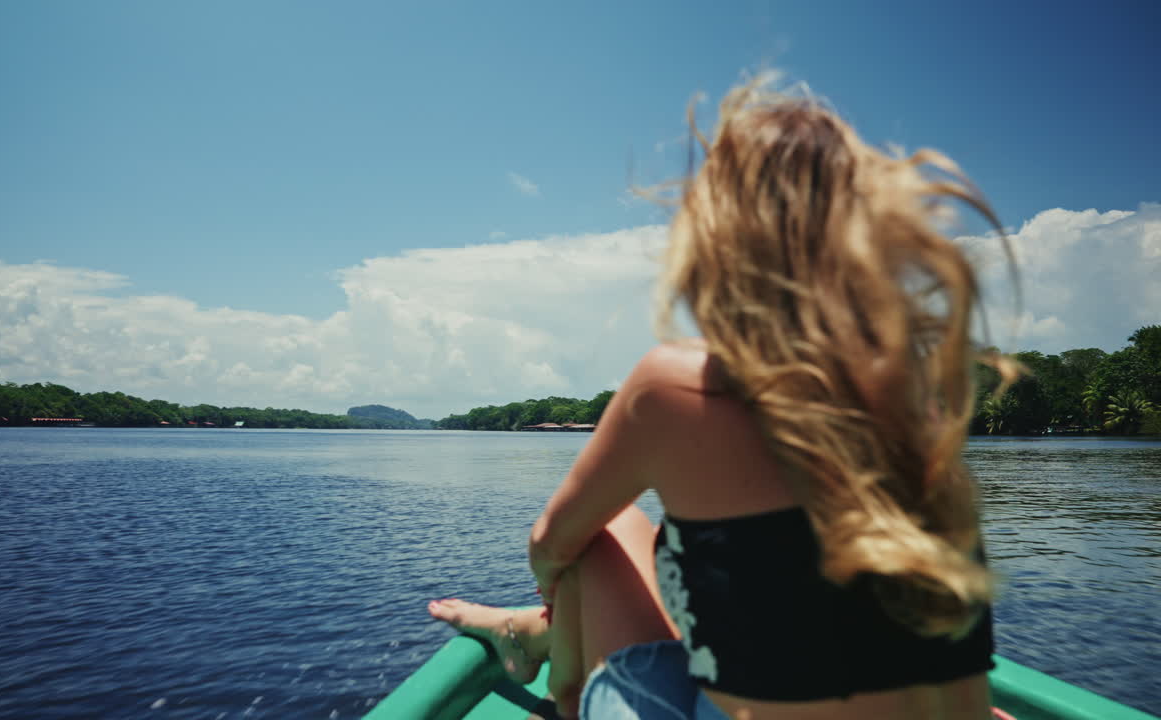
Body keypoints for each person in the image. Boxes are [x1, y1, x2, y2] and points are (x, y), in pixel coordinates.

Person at [429, 76, 1018, 720]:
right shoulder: (912, 396)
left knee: (598, 534)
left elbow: (550, 542)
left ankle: (548, 667)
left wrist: (557, 595)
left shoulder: (676, 384)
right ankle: (535, 633)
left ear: (715, 245)